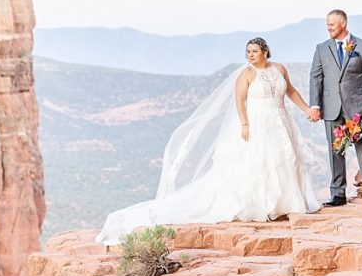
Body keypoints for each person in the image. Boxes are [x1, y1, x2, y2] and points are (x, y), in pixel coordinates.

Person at [96, 37, 322, 245]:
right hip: (257, 122)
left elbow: (290, 91)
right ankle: (262, 206)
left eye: (254, 51)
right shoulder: (247, 74)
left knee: (283, 160)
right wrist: (244, 123)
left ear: (265, 52)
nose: (250, 55)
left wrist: (306, 109)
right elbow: (240, 100)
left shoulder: (280, 69)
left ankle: (284, 204)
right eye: (248, 51)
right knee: (259, 162)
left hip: (280, 120)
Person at [308, 9, 362, 207]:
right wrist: (315, 104)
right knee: (335, 151)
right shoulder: (321, 49)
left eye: (332, 23)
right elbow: (316, 78)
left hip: (357, 108)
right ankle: (338, 194)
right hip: (331, 108)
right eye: (327, 24)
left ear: (344, 23)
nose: (328, 27)